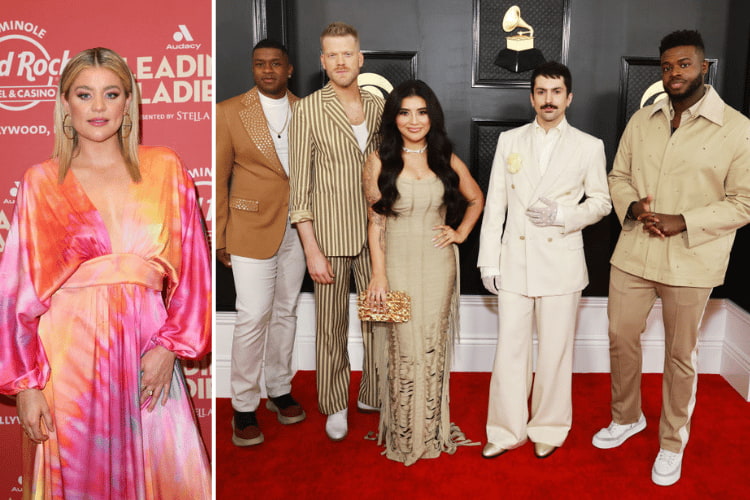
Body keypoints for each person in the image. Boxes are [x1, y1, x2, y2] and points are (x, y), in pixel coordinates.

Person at [0, 48, 211, 498]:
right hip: (68, 358)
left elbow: (193, 273)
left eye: (110, 94)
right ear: (64, 103)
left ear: (128, 102)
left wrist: (170, 348)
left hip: (148, 349)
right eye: (84, 94)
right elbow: (16, 293)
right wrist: (27, 386)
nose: (98, 107)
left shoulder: (165, 168)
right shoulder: (41, 181)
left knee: (165, 470)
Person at [592, 30, 750, 486]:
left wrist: (684, 220)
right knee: (620, 336)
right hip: (635, 250)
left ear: (704, 68)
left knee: (681, 354)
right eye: (666, 66)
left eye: (683, 64)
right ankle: (627, 418)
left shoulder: (736, 128)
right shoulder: (642, 120)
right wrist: (634, 207)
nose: (673, 73)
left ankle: (672, 441)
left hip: (691, 256)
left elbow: (743, 202)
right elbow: (617, 175)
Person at [478, 61, 611, 460]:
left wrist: (564, 217)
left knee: (555, 351)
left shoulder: (589, 146)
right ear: (532, 96)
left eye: (556, 92)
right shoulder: (510, 141)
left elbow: (602, 202)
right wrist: (489, 261)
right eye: (541, 91)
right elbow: (496, 204)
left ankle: (550, 427)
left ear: (568, 97)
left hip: (561, 262)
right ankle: (504, 430)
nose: (548, 99)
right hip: (514, 260)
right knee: (510, 350)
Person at [364, 79, 483, 465]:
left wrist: (460, 232)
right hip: (395, 264)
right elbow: (376, 223)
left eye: (421, 112)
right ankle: (402, 433)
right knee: (404, 347)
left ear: (432, 116)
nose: (413, 121)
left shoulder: (443, 155)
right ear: (393, 117)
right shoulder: (379, 158)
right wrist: (378, 275)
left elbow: (476, 197)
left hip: (438, 264)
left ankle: (430, 429)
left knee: (431, 344)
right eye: (404, 112)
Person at [289, 21, 384, 441]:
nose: (342, 61)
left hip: (379, 236)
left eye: (349, 53)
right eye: (333, 54)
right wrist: (310, 248)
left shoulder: (381, 107)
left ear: (360, 59)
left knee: (382, 320)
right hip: (329, 238)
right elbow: (300, 188)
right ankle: (334, 405)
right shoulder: (308, 109)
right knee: (330, 328)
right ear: (323, 61)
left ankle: (375, 393)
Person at [216, 39, 306, 447]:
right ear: (252, 69)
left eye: (275, 64)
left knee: (286, 311)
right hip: (250, 227)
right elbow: (218, 180)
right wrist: (219, 235)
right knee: (253, 316)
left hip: (301, 228)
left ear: (289, 69)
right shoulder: (230, 112)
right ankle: (244, 406)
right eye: (259, 64)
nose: (267, 70)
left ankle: (279, 388)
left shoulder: (307, 110)